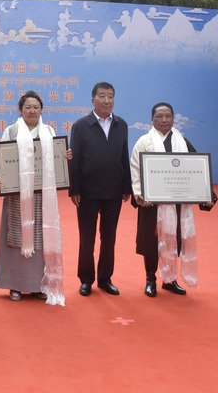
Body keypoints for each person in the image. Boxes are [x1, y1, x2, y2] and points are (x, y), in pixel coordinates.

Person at [130, 102, 217, 297]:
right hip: (152, 204)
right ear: (151, 119)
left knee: (174, 240)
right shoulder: (144, 142)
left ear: (173, 119)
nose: (164, 120)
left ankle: (169, 279)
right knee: (151, 243)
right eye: (159, 116)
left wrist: (207, 195)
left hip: (177, 203)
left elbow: (197, 170)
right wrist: (140, 195)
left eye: (168, 116)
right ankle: (150, 279)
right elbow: (135, 170)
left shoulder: (182, 142)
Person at [0, 91, 71, 305]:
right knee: (16, 237)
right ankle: (15, 285)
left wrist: (65, 157)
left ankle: (39, 285)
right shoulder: (11, 131)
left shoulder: (49, 131)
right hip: (17, 195)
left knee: (41, 237)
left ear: (41, 110)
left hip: (43, 194)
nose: (32, 111)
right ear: (20, 110)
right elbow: (0, 160)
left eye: (36, 107)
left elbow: (56, 158)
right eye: (28, 107)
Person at [69, 81, 131, 297]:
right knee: (87, 238)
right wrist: (74, 189)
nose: (107, 101)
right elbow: (74, 158)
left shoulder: (121, 125)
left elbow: (124, 155)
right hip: (87, 191)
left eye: (110, 96)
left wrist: (127, 185)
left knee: (109, 237)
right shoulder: (81, 125)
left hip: (114, 189)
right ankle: (86, 279)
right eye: (102, 96)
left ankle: (105, 279)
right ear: (93, 100)